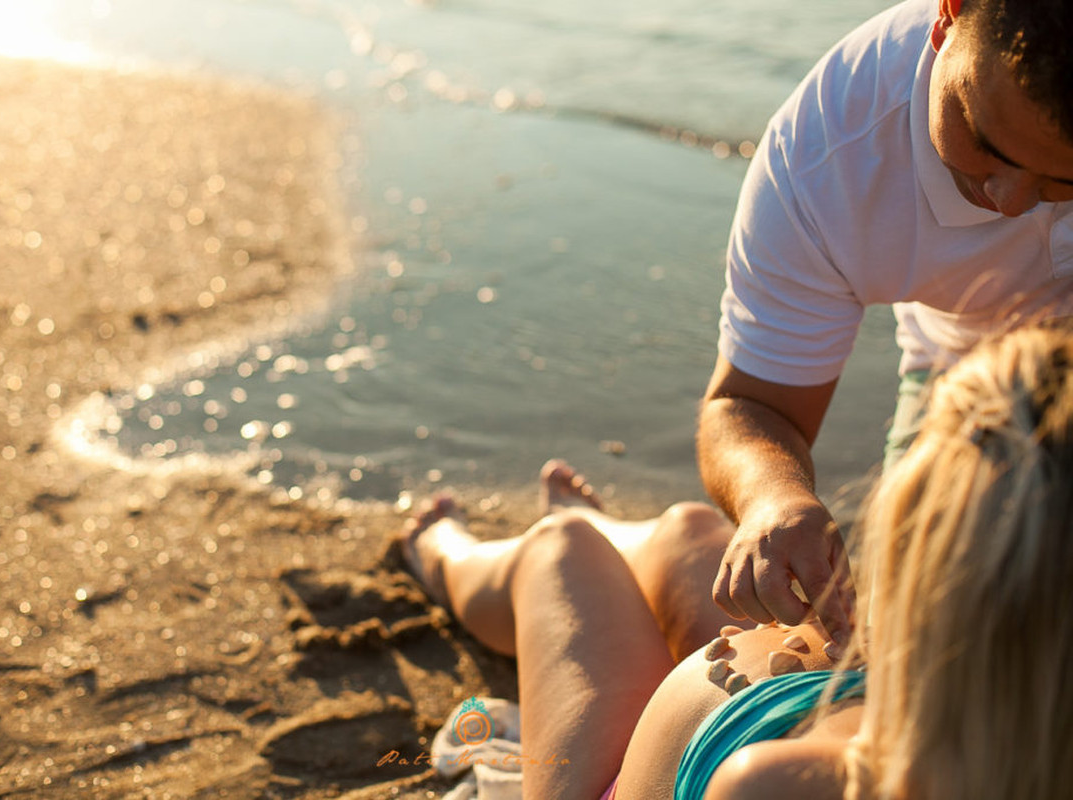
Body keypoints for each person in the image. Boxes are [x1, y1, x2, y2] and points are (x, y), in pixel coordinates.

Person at [400, 326, 1073, 799]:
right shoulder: (1008, 723)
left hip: (635, 778)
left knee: (563, 556)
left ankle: (442, 555)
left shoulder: (775, 790)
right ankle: (599, 528)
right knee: (692, 532)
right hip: (763, 714)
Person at [699, 0, 1073, 645]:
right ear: (947, 15)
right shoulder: (825, 160)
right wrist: (773, 496)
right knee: (919, 632)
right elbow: (748, 404)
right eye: (984, 143)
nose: (1010, 203)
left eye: (1062, 179)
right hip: (964, 371)